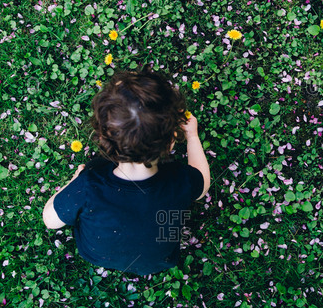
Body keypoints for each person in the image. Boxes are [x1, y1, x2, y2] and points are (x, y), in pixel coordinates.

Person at [42, 65, 210, 276]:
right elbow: (203, 183)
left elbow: (49, 220)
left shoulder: (89, 185)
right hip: (160, 259)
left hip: (97, 254)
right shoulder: (180, 180)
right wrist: (193, 137)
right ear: (170, 142)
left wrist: (75, 180)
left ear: (104, 136)